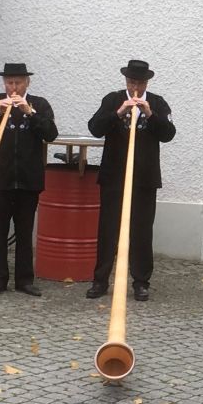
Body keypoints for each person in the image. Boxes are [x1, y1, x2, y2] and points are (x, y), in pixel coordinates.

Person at [86, 60, 176, 301]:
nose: (135, 86)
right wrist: (118, 112)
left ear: (146, 82)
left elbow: (168, 134)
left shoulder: (157, 102)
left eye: (140, 82)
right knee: (108, 229)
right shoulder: (112, 99)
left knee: (142, 231)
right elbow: (95, 128)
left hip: (144, 178)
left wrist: (149, 113)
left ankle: (141, 281)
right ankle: (100, 280)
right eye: (132, 81)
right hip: (114, 176)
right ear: (126, 81)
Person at [0, 63, 58, 297]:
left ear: (27, 82)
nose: (14, 87)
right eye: (9, 82)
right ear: (4, 83)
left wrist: (30, 112)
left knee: (24, 229)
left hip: (28, 180)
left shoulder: (39, 104)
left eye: (18, 82)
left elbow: (51, 134)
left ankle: (25, 280)